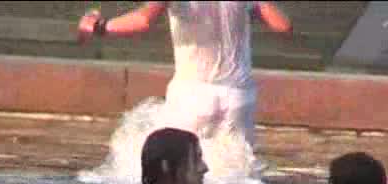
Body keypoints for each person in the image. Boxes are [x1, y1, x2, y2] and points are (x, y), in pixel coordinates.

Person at [78, 2, 292, 149]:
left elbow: (143, 20)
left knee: (172, 168)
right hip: (239, 96)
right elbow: (282, 26)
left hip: (193, 94)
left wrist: (98, 26)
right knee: (235, 175)